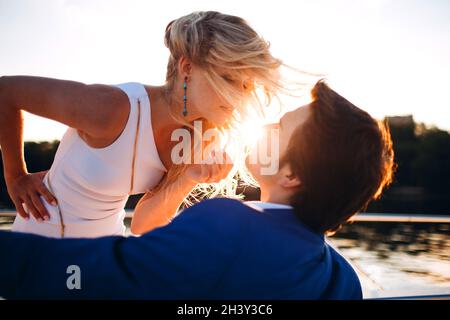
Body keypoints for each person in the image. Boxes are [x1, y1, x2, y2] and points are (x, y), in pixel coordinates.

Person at [0, 81, 394, 299]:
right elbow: (145, 230)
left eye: (278, 129)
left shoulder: (228, 225)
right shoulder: (343, 280)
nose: (265, 130)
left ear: (291, 175)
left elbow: (100, 275)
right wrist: (187, 178)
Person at [0, 11, 284, 238]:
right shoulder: (111, 107)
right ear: (187, 68)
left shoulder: (200, 135)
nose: (239, 96)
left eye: (246, 84)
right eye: (228, 79)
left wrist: (188, 177)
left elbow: (142, 225)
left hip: (103, 260)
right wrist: (15, 176)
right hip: (40, 249)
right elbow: (6, 92)